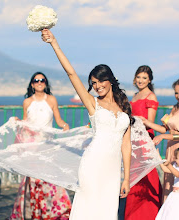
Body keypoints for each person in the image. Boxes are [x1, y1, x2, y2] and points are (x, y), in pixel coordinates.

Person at [41, 29, 132, 220]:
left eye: (100, 81)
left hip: (113, 170)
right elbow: (71, 74)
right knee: (88, 210)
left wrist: (126, 178)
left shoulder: (124, 105)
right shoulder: (93, 103)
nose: (97, 86)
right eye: (93, 83)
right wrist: (54, 43)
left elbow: (126, 144)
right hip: (92, 164)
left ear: (110, 80)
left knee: (107, 212)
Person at [10, 72, 72, 219]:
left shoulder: (51, 100)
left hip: (47, 146)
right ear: (32, 84)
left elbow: (58, 120)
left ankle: (51, 212)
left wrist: (65, 125)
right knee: (33, 180)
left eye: (42, 80)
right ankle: (35, 212)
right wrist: (19, 122)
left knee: (50, 178)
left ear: (45, 83)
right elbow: (26, 123)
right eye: (36, 80)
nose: (39, 82)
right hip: (32, 147)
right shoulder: (27, 102)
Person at [141, 78, 179, 202]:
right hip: (170, 148)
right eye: (176, 93)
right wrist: (147, 122)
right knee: (167, 182)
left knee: (177, 183)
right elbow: (165, 129)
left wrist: (162, 137)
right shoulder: (176, 107)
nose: (178, 96)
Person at [123, 66, 162, 219]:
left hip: (144, 141)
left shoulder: (151, 97)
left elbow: (149, 122)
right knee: (134, 178)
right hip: (133, 140)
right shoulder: (135, 95)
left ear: (149, 80)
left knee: (146, 178)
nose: (141, 80)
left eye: (144, 78)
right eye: (138, 77)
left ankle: (148, 214)